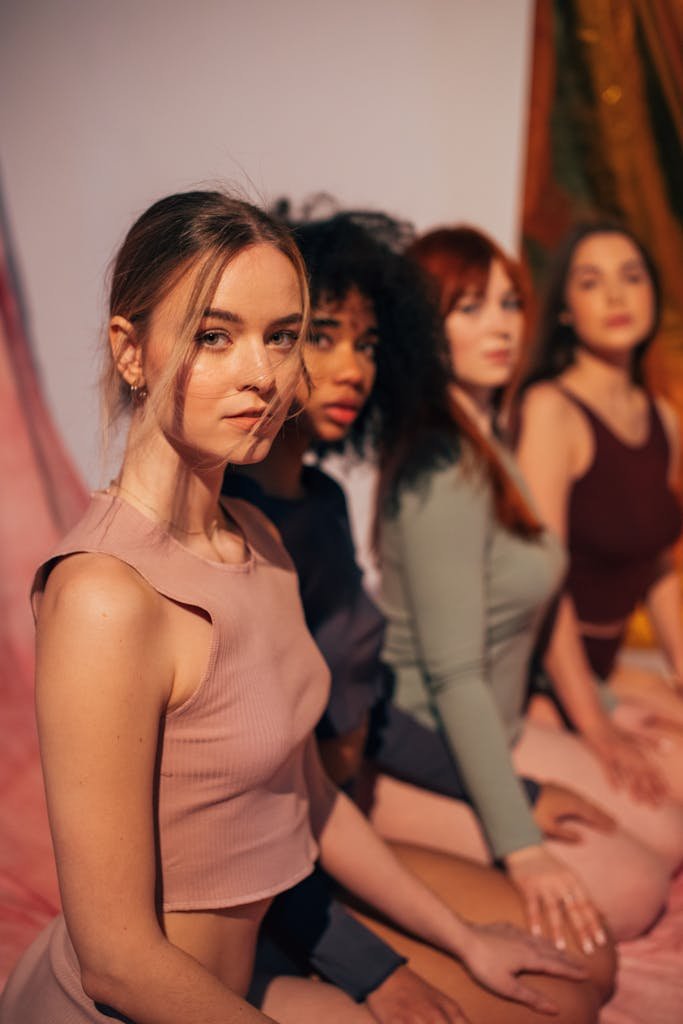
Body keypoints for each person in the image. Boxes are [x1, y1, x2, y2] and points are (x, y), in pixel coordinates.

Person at [0, 192, 588, 1024]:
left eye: (279, 337)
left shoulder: (261, 541)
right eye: (215, 335)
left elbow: (306, 797)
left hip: (241, 983)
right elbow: (118, 964)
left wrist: (464, 937)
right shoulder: (102, 595)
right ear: (131, 353)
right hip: (137, 1007)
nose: (263, 374)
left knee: (560, 988)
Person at [226, 209, 616, 1023]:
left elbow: (367, 710)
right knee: (563, 987)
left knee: (581, 968)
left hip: (336, 827)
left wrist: (526, 792)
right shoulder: (236, 524)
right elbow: (247, 806)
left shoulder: (323, 503)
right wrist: (371, 969)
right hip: (274, 875)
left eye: (366, 346)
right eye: (321, 337)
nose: (351, 369)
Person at [369, 224, 683, 951]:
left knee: (666, 821)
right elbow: (452, 678)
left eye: (509, 304)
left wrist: (607, 707)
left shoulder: (487, 440)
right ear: (424, 327)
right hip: (418, 744)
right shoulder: (440, 464)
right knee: (633, 891)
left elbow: (529, 618)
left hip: (499, 721)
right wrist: (522, 845)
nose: (500, 325)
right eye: (469, 307)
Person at [517, 222, 683, 813]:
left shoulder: (662, 416)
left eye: (631, 277)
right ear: (565, 308)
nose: (616, 296)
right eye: (592, 282)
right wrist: (594, 724)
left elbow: (657, 560)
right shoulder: (551, 410)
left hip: (605, 668)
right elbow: (546, 579)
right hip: (539, 676)